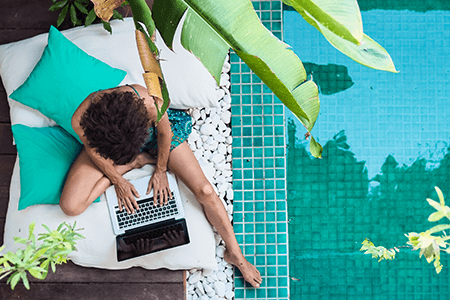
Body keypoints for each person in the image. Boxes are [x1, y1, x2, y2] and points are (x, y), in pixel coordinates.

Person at [59, 83, 262, 288]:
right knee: (71, 206)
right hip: (114, 145)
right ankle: (135, 162)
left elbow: (165, 133)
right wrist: (117, 178)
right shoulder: (80, 120)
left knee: (205, 191)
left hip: (154, 136)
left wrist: (161, 170)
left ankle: (235, 254)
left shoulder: (145, 100)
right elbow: (93, 150)